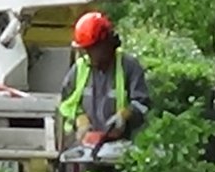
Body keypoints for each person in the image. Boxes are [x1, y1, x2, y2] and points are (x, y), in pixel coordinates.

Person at [58, 11, 153, 147]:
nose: (88, 54)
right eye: (86, 50)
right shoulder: (80, 69)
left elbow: (143, 104)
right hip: (85, 150)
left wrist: (126, 115)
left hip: (121, 149)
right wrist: (79, 119)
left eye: (92, 49)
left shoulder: (129, 67)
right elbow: (65, 104)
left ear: (106, 44)